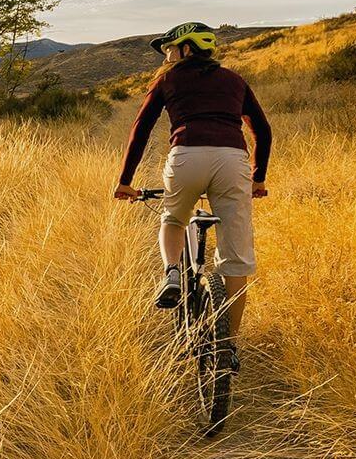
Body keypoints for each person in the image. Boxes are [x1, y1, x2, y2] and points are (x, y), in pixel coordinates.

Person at [113, 20, 272, 371]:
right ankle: (228, 346)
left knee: (173, 218)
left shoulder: (168, 80)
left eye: (169, 48)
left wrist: (125, 181)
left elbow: (141, 128)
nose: (166, 55)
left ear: (186, 48)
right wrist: (257, 178)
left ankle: (172, 272)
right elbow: (261, 130)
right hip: (233, 161)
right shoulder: (235, 80)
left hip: (187, 155)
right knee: (235, 258)